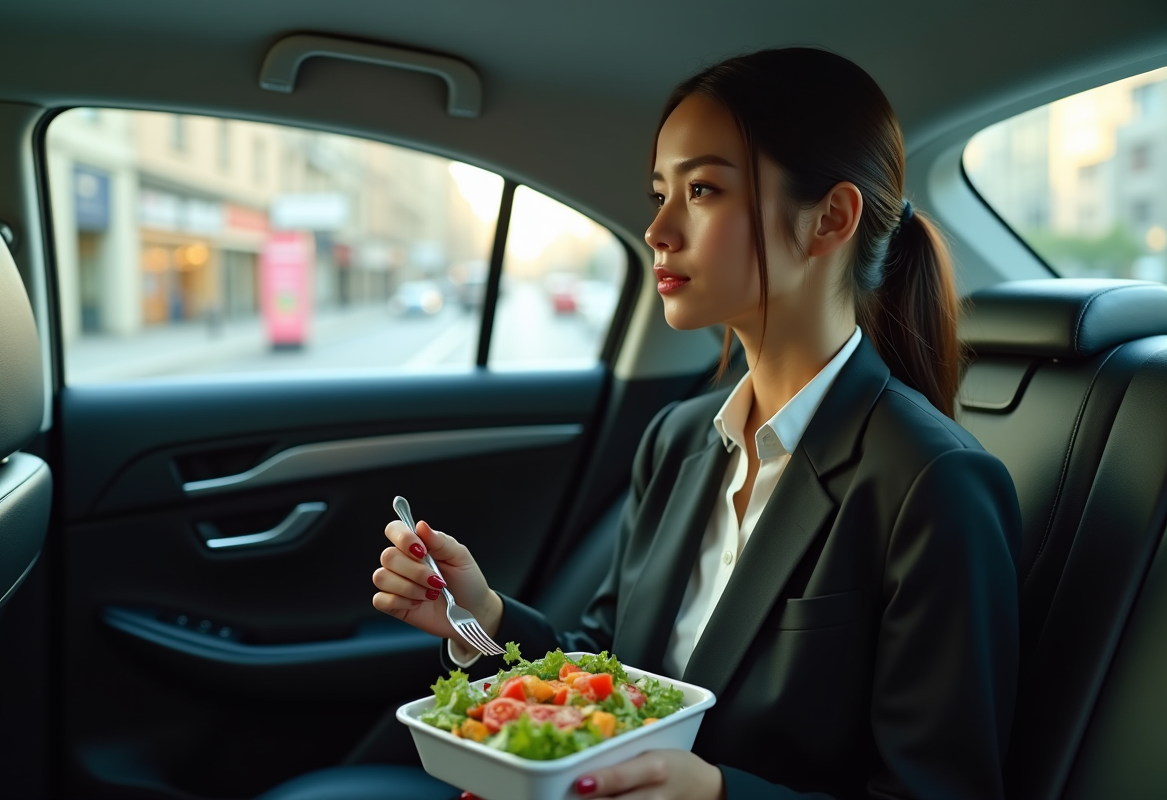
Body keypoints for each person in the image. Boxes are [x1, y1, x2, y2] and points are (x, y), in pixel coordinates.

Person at [372, 47, 1021, 800]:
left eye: (703, 189)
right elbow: (609, 675)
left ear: (830, 219)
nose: (657, 229)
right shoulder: (676, 440)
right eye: (659, 192)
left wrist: (717, 795)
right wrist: (479, 617)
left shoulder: (935, 484)